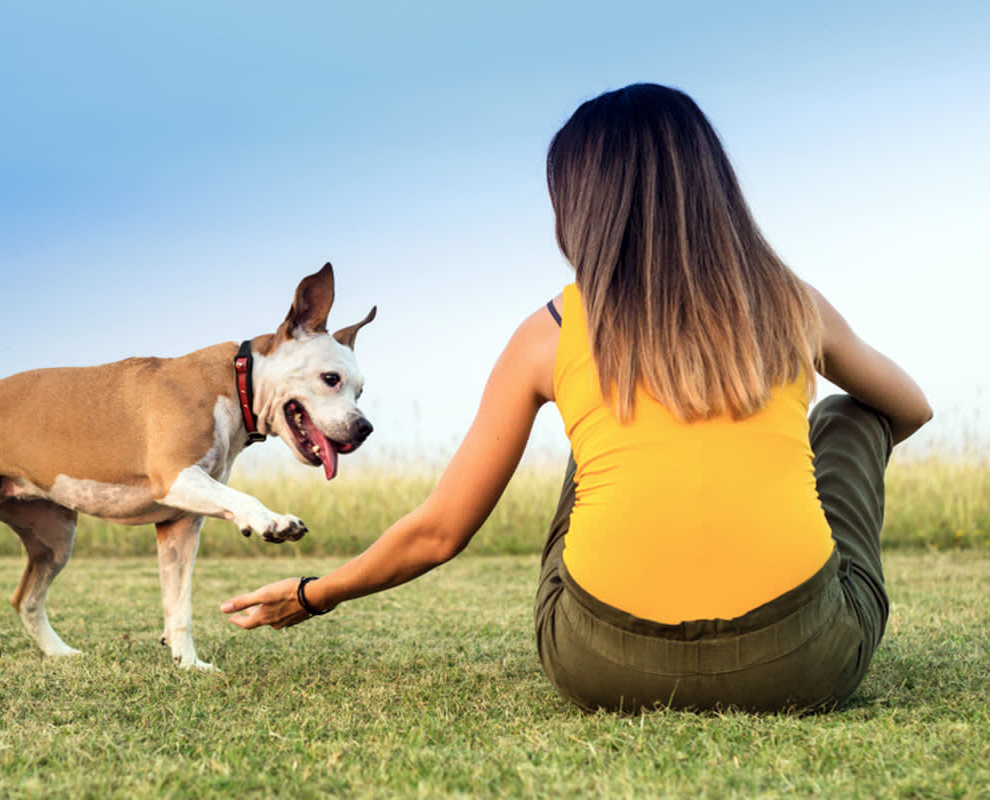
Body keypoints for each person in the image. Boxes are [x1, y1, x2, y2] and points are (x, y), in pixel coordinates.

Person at [220, 83, 933, 713]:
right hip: (802, 664)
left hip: (601, 665)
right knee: (849, 412)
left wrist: (315, 593)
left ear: (583, 209)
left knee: (596, 445)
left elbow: (441, 531)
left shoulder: (548, 333)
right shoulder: (794, 306)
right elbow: (910, 408)